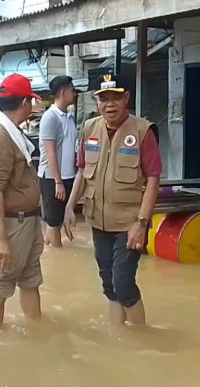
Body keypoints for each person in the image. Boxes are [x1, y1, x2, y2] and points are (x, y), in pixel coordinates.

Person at [64, 75, 161, 326]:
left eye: (115, 97)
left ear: (126, 98)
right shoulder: (89, 129)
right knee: (108, 283)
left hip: (129, 224)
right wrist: (70, 207)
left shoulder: (143, 132)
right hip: (98, 220)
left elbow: (153, 179)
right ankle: (117, 337)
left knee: (123, 283)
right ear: (96, 101)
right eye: (103, 98)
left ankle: (141, 335)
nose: (109, 104)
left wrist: (142, 223)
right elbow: (81, 170)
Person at [0, 74, 44, 328]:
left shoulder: (11, 132)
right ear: (25, 103)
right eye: (31, 102)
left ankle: (37, 332)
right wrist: (1, 239)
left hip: (26, 221)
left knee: (30, 279)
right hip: (9, 225)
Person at [38, 75, 78, 247]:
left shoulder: (69, 116)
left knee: (57, 220)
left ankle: (48, 247)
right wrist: (58, 181)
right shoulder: (50, 117)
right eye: (72, 90)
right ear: (62, 92)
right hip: (52, 178)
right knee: (54, 221)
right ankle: (57, 256)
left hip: (67, 175)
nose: (74, 94)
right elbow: (50, 151)